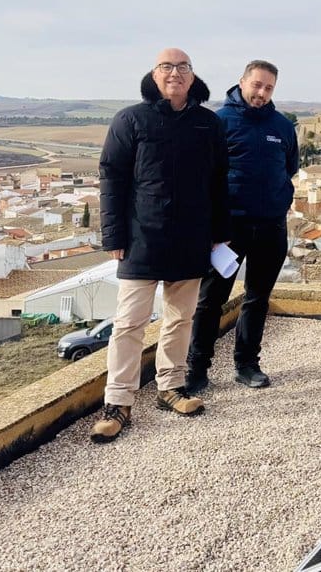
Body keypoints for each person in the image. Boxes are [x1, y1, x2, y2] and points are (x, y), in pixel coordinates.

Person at [92, 47, 231, 443]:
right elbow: (111, 177)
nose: (175, 73)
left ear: (192, 75)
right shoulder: (130, 120)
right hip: (141, 238)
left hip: (191, 237)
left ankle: (170, 388)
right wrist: (113, 236)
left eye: (183, 67)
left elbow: (220, 179)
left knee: (180, 319)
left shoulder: (208, 123)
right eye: (167, 66)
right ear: (154, 75)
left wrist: (220, 231)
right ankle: (117, 403)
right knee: (129, 323)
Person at [187, 60, 298, 391]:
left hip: (271, 228)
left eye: (269, 88)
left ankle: (247, 364)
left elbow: (289, 167)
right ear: (242, 82)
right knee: (211, 299)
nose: (261, 93)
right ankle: (197, 368)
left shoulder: (282, 126)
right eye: (257, 85)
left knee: (258, 298)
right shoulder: (219, 122)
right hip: (228, 231)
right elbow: (203, 176)